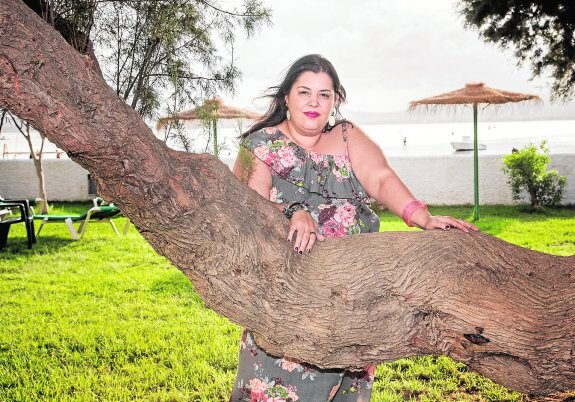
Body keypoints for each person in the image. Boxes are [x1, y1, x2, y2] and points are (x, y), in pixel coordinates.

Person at [230, 54, 478, 402]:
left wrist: (423, 218)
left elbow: (381, 178)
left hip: (353, 298)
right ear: (286, 96)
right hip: (293, 297)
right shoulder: (257, 144)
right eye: (304, 92)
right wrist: (293, 212)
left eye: (325, 94)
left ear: (336, 101)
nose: (314, 102)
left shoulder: (347, 136)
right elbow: (249, 208)